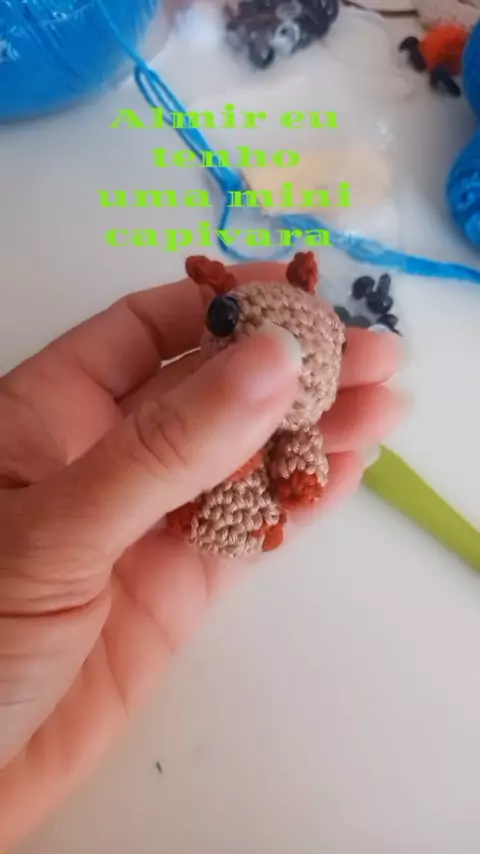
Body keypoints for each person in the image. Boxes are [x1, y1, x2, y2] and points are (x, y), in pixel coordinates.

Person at [0, 262, 405, 848]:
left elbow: (301, 464)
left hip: (235, 519)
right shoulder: (211, 418)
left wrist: (297, 477)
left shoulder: (294, 431)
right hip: (196, 511)